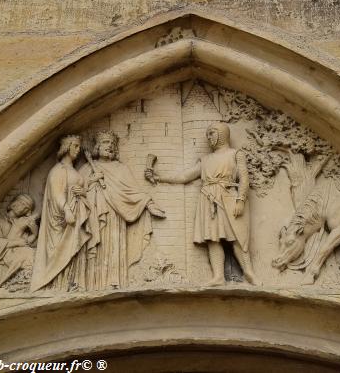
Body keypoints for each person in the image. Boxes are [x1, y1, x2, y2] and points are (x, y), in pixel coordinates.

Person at [145, 122, 259, 286]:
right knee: (213, 239)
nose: (209, 137)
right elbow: (185, 176)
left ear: (222, 134)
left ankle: (249, 272)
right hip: (208, 199)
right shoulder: (206, 159)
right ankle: (218, 276)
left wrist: (240, 199)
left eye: (212, 133)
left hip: (229, 198)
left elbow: (244, 179)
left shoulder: (235, 154)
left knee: (238, 237)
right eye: (208, 134)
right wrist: (159, 176)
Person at [80, 130, 165, 290]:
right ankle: (91, 284)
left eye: (112, 143)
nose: (110, 146)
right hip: (94, 215)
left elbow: (133, 192)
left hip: (115, 216)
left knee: (113, 247)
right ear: (98, 146)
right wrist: (91, 181)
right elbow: (76, 191)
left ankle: (114, 282)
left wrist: (149, 203)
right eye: (106, 142)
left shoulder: (121, 168)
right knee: (95, 248)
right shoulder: (87, 167)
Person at [30, 135, 93, 291]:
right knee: (60, 250)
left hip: (76, 213)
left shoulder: (72, 170)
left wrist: (83, 192)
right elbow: (57, 194)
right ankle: (57, 285)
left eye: (79, 147)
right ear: (67, 147)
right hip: (62, 218)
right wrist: (66, 210)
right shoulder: (58, 170)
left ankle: (71, 283)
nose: (78, 150)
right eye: (76, 146)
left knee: (74, 248)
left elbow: (78, 188)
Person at [0, 194, 39, 290]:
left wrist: (34, 233)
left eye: (25, 207)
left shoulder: (22, 224)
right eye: (20, 202)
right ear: (13, 203)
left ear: (27, 213)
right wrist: (16, 242)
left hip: (14, 256)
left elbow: (27, 243)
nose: (21, 207)